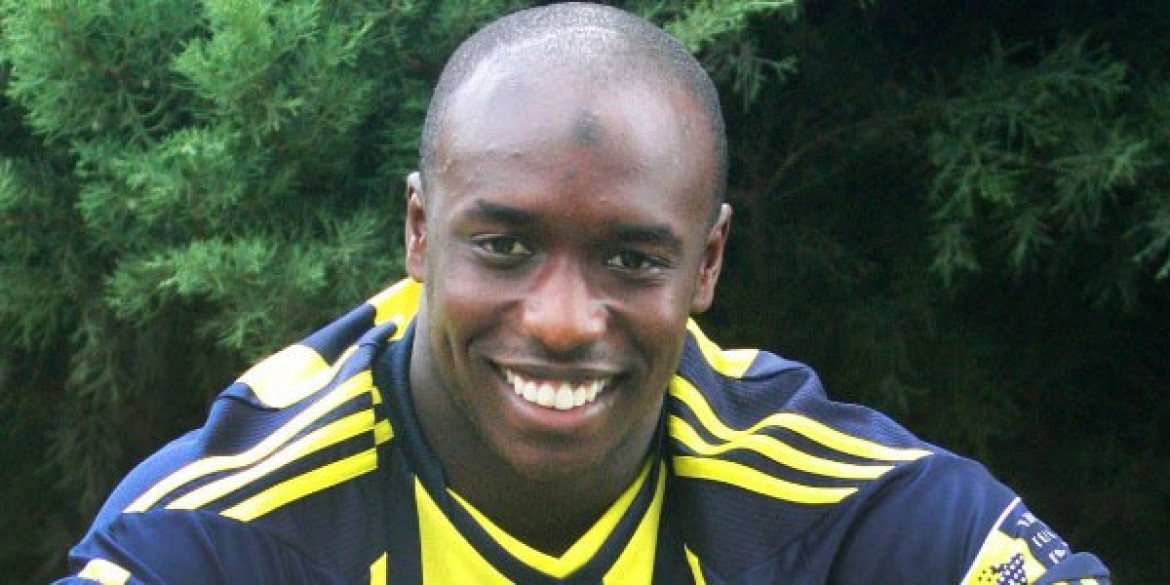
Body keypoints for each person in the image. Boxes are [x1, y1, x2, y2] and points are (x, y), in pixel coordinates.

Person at [61, 3, 1110, 583]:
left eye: (632, 260)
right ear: (420, 232)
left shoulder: (832, 505)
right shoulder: (220, 533)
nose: (562, 321)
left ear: (708, 263)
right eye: (504, 245)